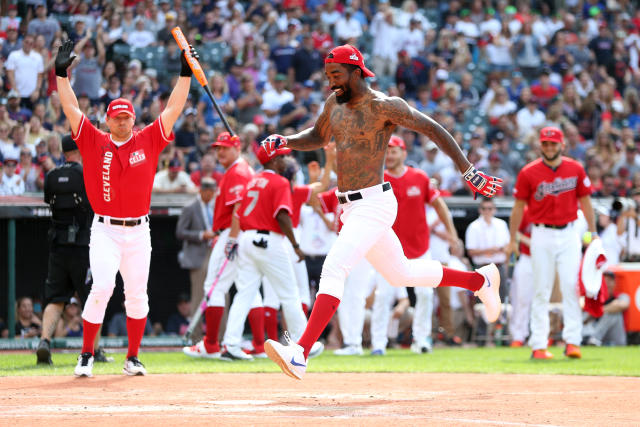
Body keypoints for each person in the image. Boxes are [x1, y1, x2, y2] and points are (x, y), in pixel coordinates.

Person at [261, 44, 502, 380]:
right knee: (401, 274)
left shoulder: (384, 106)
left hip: (374, 202)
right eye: (328, 76)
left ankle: (300, 352)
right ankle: (480, 280)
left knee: (334, 268)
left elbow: (434, 129)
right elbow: (317, 136)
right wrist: (286, 140)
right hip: (350, 206)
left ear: (357, 71)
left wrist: (468, 170)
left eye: (337, 75)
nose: (331, 82)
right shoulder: (335, 103)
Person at [55, 39, 195, 377]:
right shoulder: (93, 139)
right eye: (117, 118)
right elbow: (71, 109)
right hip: (105, 228)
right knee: (101, 287)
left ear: (133, 119)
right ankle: (86, 354)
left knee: (137, 295)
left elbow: (173, 109)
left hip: (139, 229)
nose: (122, 122)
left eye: (126, 117)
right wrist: (61, 73)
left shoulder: (147, 138)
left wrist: (185, 72)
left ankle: (132, 358)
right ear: (107, 119)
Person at [218, 146, 321, 361]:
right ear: (274, 161)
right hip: (269, 239)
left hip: (247, 238)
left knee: (244, 294)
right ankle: (303, 344)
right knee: (289, 294)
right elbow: (282, 215)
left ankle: (231, 344)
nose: (285, 160)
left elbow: (239, 213)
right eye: (282, 156)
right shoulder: (280, 182)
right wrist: (294, 244)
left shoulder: (252, 181)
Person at [507, 126, 597, 360]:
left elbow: (586, 202)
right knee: (541, 290)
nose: (549, 147)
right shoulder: (528, 172)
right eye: (545, 143)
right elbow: (518, 207)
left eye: (553, 143)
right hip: (541, 233)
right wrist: (512, 238)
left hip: (569, 233)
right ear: (540, 145)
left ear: (562, 145)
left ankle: (572, 342)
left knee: (571, 286)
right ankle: (538, 344)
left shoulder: (575, 168)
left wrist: (594, 231)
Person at [182, 131, 259, 359]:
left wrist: (231, 238)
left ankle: (212, 344)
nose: (220, 152)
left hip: (235, 233)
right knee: (249, 291)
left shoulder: (237, 171)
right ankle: (250, 343)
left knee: (214, 288)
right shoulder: (242, 169)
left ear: (237, 147)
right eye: (218, 148)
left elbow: (238, 209)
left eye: (225, 147)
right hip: (242, 233)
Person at [36, 135, 108, 366]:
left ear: (63, 152)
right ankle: (95, 350)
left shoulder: (51, 176)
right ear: (80, 149)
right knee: (93, 298)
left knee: (56, 298)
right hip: (82, 246)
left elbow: (49, 200)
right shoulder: (85, 174)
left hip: (57, 247)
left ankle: (45, 341)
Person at [175, 177, 217, 341]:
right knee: (198, 297)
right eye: (208, 192)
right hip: (198, 255)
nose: (210, 195)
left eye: (213, 192)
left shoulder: (215, 205)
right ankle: (196, 339)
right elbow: (180, 232)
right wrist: (201, 235)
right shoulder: (190, 207)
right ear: (201, 191)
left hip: (214, 251)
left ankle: (219, 338)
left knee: (220, 295)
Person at [582, 271, 629, 346]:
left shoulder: (621, 296)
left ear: (614, 283)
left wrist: (599, 311)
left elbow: (623, 305)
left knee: (613, 312)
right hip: (599, 335)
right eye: (605, 281)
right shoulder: (595, 298)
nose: (607, 284)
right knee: (584, 314)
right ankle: (584, 338)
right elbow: (585, 319)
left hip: (616, 338)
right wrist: (593, 313)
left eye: (610, 281)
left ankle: (594, 338)